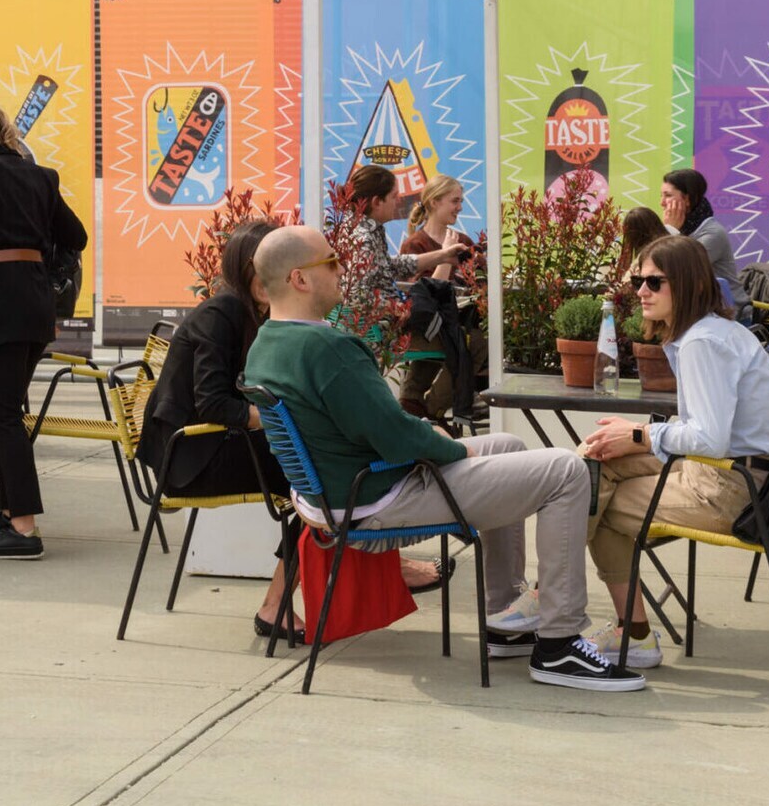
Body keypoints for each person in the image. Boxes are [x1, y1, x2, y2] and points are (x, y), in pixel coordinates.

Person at [243, 225, 646, 692]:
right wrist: (451, 445)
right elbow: (397, 439)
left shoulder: (266, 345)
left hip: (335, 496)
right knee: (566, 470)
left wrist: (429, 437)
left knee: (508, 447)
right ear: (300, 279)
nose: (341, 268)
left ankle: (504, 620)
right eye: (331, 262)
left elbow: (382, 430)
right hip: (377, 498)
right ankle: (558, 644)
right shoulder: (326, 349)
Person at [577, 235, 769, 667]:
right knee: (594, 456)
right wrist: (641, 435)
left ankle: (610, 627)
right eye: (639, 280)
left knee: (592, 504)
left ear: (689, 285)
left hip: (732, 489)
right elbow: (711, 433)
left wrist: (642, 435)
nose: (640, 291)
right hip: (751, 476)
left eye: (654, 282)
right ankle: (560, 598)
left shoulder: (702, 343)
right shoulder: (715, 332)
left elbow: (709, 439)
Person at [141, 219, 304, 640]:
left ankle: (283, 601)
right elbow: (211, 401)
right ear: (247, 268)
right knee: (322, 480)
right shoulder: (223, 312)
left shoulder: (249, 311)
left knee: (322, 477)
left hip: (209, 446)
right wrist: (276, 420)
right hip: (191, 460)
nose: (276, 276)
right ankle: (275, 608)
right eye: (266, 267)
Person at [0, 99, 88, 561]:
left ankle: (24, 529)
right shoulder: (41, 176)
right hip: (35, 303)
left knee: (1, 411)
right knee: (0, 409)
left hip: (2, 301)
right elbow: (77, 235)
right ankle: (8, 514)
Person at [395, 174, 481, 422]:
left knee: (456, 337)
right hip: (423, 328)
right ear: (434, 203)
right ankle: (432, 413)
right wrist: (444, 256)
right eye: (455, 201)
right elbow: (422, 301)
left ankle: (411, 403)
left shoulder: (463, 242)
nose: (460, 207)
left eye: (461, 200)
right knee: (473, 344)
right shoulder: (415, 245)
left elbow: (478, 281)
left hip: (452, 324)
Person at [346, 164, 465, 299]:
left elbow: (389, 265)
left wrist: (444, 255)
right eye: (394, 196)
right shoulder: (363, 238)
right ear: (377, 202)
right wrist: (399, 310)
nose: (398, 200)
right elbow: (360, 298)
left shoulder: (372, 231)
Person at [658, 169, 740, 292]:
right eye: (661, 196)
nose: (662, 203)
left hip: (725, 307)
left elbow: (673, 269)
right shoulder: (681, 229)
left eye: (668, 195)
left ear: (687, 199)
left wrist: (670, 229)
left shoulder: (713, 233)